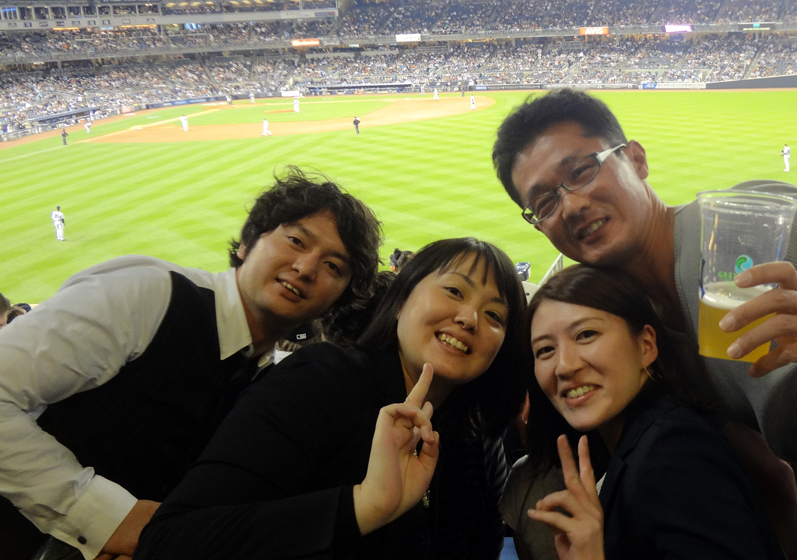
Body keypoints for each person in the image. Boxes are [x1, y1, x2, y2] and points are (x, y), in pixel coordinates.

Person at [492, 88, 797, 559]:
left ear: (636, 160)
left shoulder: (738, 226)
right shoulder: (643, 334)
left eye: (581, 171)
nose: (572, 205)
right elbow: (767, 471)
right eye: (544, 203)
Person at [0, 168, 383, 560]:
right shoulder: (148, 294)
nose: (305, 268)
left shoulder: (263, 375)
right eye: (295, 240)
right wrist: (105, 518)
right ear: (248, 243)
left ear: (336, 299)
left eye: (333, 266)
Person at [133, 237, 527, 560]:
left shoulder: (478, 441)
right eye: (455, 291)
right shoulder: (320, 383)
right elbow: (170, 541)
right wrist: (362, 506)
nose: (469, 318)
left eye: (495, 316)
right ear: (402, 299)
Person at [515, 264, 786, 560]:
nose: (564, 366)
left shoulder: (673, 454)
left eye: (585, 334)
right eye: (544, 350)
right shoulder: (638, 439)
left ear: (646, 345)